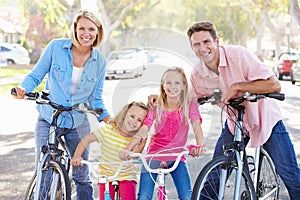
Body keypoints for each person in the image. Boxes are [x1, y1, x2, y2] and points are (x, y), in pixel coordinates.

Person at [185, 21, 300, 199]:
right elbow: (188, 100)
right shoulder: (197, 75)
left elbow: (274, 85)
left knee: (290, 175)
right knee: (214, 178)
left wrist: (238, 86)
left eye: (206, 42)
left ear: (217, 41)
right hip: (234, 123)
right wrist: (158, 102)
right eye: (196, 44)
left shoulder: (239, 56)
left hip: (265, 120)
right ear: (192, 47)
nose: (202, 48)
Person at [11, 9, 110, 199]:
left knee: (81, 173)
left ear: (98, 32)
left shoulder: (99, 62)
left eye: (91, 29)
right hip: (49, 118)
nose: (86, 34)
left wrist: (108, 118)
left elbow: (95, 99)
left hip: (78, 122)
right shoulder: (56, 47)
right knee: (44, 172)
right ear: (75, 29)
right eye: (82, 28)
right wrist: (22, 89)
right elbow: (35, 75)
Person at [121, 67, 206, 200]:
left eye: (177, 83)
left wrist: (200, 146)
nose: (172, 87)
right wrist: (127, 149)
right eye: (168, 83)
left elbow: (196, 125)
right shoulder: (156, 105)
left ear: (184, 85)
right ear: (162, 85)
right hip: (154, 155)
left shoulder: (189, 105)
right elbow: (144, 129)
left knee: (187, 196)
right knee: (143, 196)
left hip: (176, 156)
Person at [72, 101, 148, 200]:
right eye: (132, 116)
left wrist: (143, 142)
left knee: (129, 196)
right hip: (106, 174)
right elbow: (87, 139)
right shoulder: (108, 130)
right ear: (124, 114)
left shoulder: (135, 138)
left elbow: (136, 154)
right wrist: (77, 155)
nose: (134, 121)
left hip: (127, 175)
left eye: (139, 120)